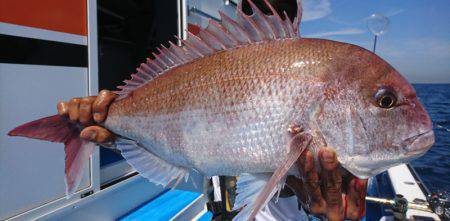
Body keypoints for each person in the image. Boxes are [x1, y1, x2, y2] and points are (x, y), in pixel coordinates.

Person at [57, 90, 368, 220]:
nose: (263, 15)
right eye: (251, 8)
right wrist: (119, 135)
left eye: (280, 9)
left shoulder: (350, 164)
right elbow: (189, 169)